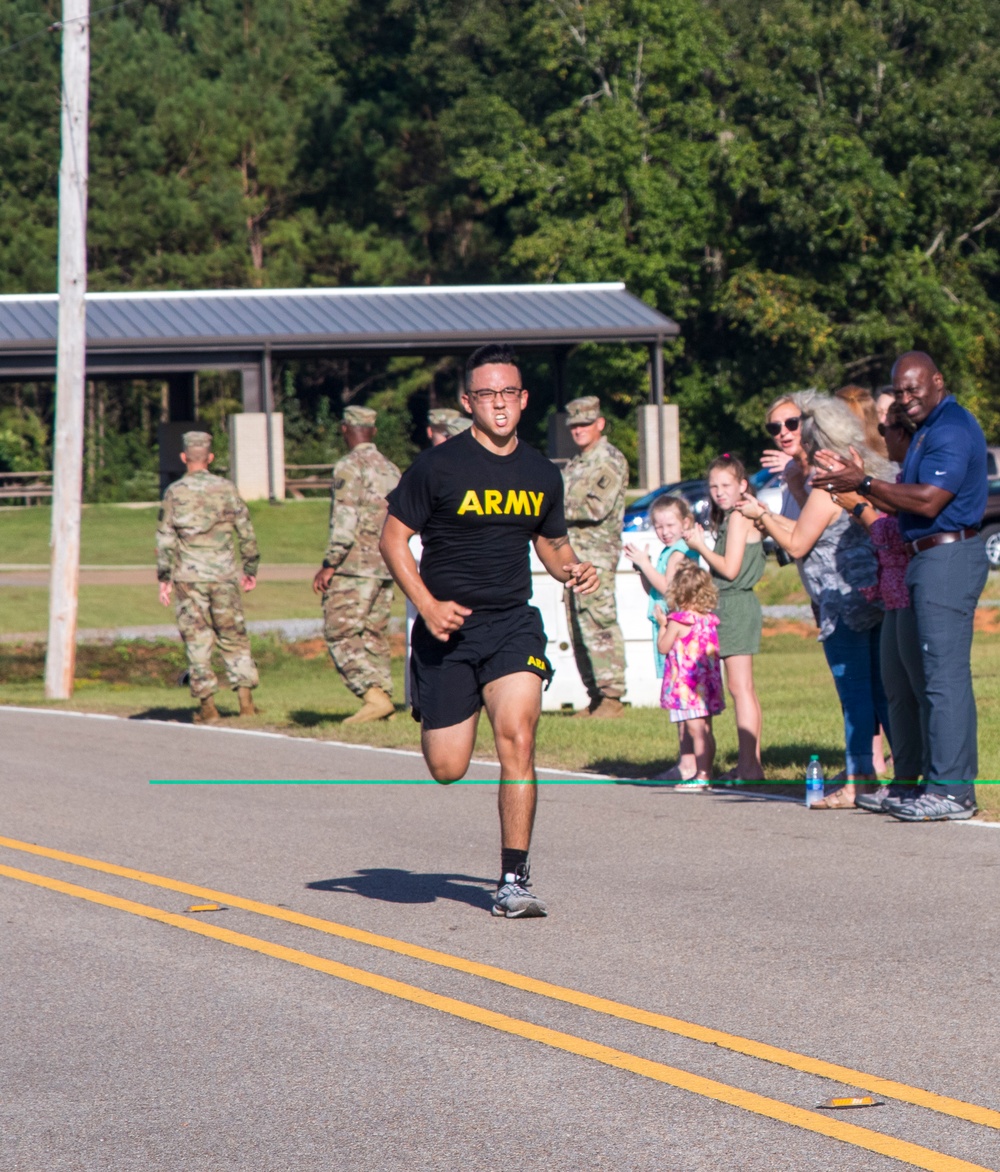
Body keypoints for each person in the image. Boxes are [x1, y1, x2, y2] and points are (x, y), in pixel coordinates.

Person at [379, 342, 598, 918]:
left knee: (519, 737)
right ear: (467, 401)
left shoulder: (541, 471)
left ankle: (513, 879)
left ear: (524, 400)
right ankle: (442, 696)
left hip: (511, 625)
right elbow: (392, 539)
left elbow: (550, 543)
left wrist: (573, 568)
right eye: (486, 394)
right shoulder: (437, 466)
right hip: (447, 631)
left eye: (508, 393)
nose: (498, 404)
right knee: (448, 768)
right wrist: (425, 605)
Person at [817, 351, 989, 820]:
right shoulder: (928, 431)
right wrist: (858, 485)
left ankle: (953, 792)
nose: (907, 398)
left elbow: (930, 501)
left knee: (943, 678)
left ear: (938, 380)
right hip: (924, 557)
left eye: (915, 388)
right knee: (916, 678)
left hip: (947, 556)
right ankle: (915, 783)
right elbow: (904, 503)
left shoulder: (951, 429)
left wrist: (865, 483)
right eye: (901, 390)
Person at [738, 392, 892, 802]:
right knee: (882, 690)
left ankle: (859, 780)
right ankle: (908, 774)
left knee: (855, 693)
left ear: (815, 436)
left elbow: (800, 542)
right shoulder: (859, 469)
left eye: (798, 431)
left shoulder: (828, 481)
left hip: (844, 603)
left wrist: (762, 515)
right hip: (873, 594)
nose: (791, 439)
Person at [828, 403, 925, 809]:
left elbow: (893, 535)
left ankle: (936, 780)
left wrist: (859, 506)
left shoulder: (909, 481)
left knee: (919, 690)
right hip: (892, 599)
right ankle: (904, 778)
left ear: (904, 434)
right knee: (897, 693)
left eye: (886, 431)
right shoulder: (901, 477)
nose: (881, 437)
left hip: (908, 594)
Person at [156, 430, 260, 724]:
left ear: (184, 457)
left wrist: (164, 577)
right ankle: (246, 701)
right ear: (210, 458)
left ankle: (208, 706)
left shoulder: (175, 492)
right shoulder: (227, 489)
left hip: (190, 577)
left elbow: (165, 539)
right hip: (224, 575)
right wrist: (250, 569)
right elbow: (247, 532)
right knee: (234, 636)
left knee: (197, 639)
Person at [312, 405, 401, 725]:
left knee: (340, 632)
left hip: (354, 566)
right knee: (374, 634)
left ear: (344, 429)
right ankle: (384, 701)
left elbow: (345, 520)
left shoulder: (348, 467)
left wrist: (330, 563)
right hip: (387, 564)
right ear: (373, 432)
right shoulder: (391, 469)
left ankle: (372, 696)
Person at [686, 455, 766, 781]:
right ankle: (749, 764)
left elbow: (730, 569)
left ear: (742, 485)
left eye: (726, 485)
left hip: (736, 604)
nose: (719, 492)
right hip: (726, 605)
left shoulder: (738, 518)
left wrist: (700, 546)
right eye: (713, 486)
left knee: (740, 687)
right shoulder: (732, 515)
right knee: (737, 687)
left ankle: (750, 766)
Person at [561, 395, 629, 718]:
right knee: (578, 626)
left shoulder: (609, 460)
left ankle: (612, 697)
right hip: (573, 556)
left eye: (585, 423)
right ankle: (596, 697)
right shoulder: (576, 464)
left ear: (599, 424)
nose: (579, 430)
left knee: (598, 621)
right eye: (574, 425)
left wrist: (551, 509)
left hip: (597, 556)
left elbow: (595, 507)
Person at [625, 495, 700, 780]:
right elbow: (655, 591)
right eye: (658, 526)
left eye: (670, 524)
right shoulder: (669, 551)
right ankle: (686, 760)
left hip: (677, 631)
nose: (665, 531)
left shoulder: (680, 552)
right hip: (666, 626)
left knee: (682, 698)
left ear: (685, 523)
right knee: (677, 697)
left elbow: (669, 590)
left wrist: (646, 564)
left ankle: (689, 763)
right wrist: (642, 569)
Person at [655, 561, 725, 789]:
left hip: (689, 686)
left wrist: (662, 625)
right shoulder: (708, 619)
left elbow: (663, 647)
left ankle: (701, 775)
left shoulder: (679, 620)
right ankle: (706, 771)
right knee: (705, 729)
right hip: (708, 685)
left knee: (695, 730)